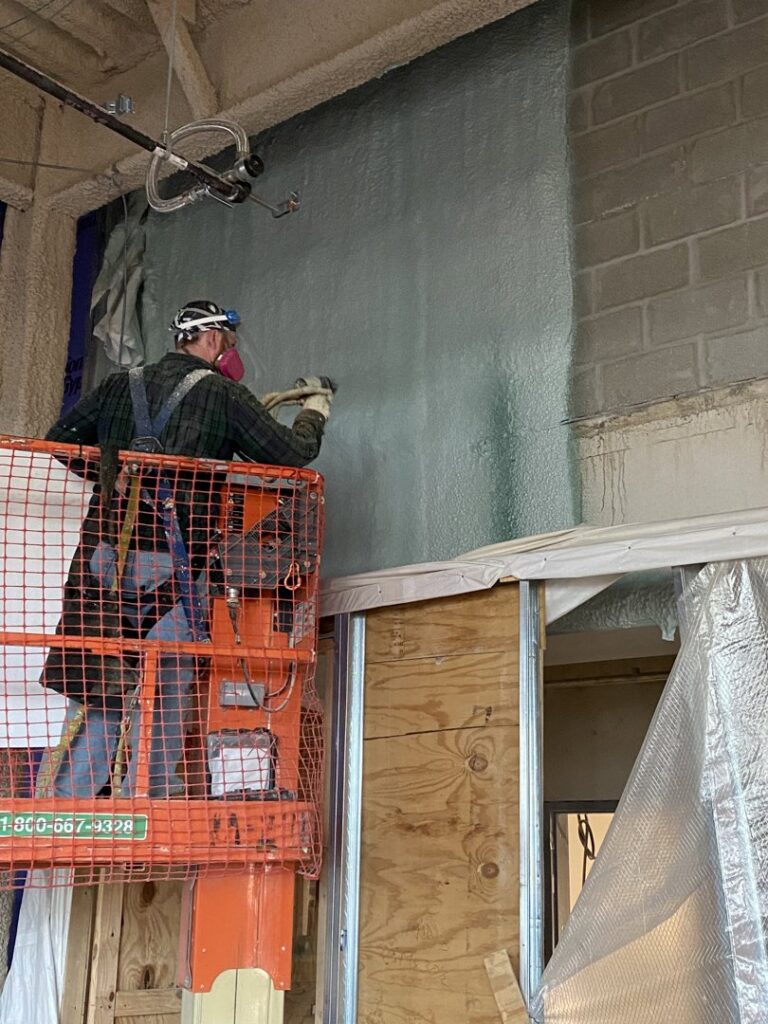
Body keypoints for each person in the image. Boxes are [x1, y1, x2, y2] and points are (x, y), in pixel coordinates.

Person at [41, 299, 333, 798]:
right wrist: (314, 411)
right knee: (167, 681)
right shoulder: (222, 393)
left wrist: (113, 476)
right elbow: (293, 454)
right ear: (215, 339)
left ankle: (71, 800)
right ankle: (147, 795)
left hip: (105, 558)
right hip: (174, 565)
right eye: (231, 342)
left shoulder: (118, 385)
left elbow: (60, 441)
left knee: (98, 673)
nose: (232, 353)